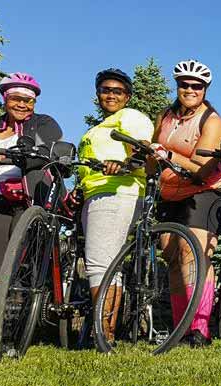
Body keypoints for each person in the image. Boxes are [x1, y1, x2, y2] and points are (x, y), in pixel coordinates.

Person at [153, 59, 221, 346]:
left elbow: (202, 169)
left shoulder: (211, 120)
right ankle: (179, 328)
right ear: (177, 86)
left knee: (193, 252)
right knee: (172, 255)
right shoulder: (166, 115)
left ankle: (199, 329)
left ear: (205, 89)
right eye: (184, 84)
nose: (190, 89)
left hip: (206, 190)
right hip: (172, 193)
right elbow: (152, 154)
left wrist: (168, 156)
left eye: (196, 86)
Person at [76, 68, 153, 337]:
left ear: (128, 96)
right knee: (109, 265)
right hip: (95, 195)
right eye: (105, 90)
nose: (110, 95)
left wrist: (123, 165)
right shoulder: (98, 127)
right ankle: (105, 330)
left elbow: (142, 150)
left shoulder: (130, 117)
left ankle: (103, 333)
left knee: (100, 264)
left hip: (117, 192)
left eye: (117, 91)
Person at [0, 72, 62, 286]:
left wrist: (16, 155)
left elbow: (50, 150)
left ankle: (19, 304)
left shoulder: (42, 123)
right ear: (6, 100)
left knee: (20, 260)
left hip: (28, 197)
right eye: (16, 99)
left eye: (29, 100)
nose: (22, 105)